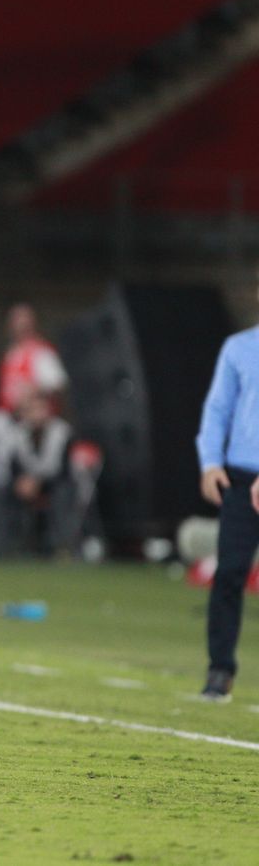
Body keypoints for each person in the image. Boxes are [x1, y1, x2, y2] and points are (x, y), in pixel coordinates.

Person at [195, 294, 259, 703]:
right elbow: (218, 409)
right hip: (239, 477)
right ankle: (220, 669)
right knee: (230, 573)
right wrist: (210, 462)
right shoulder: (238, 348)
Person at [0, 389, 77, 558]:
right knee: (1, 491)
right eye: (33, 410)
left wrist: (38, 482)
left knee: (63, 494)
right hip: (25, 482)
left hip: (52, 483)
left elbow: (64, 469)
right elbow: (14, 464)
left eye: (41, 409)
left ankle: (61, 547)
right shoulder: (18, 432)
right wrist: (21, 481)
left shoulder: (61, 432)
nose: (37, 414)